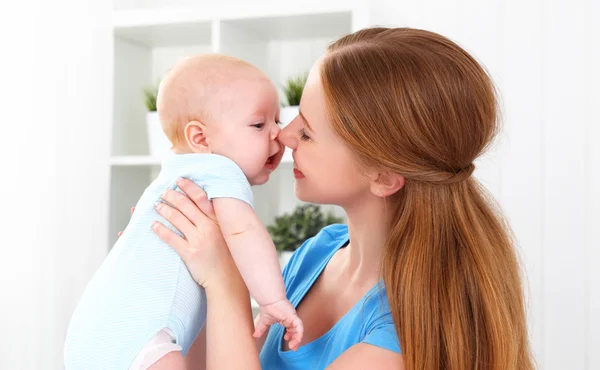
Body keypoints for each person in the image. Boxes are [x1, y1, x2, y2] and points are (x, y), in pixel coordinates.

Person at [152, 27, 536, 370]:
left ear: (383, 177)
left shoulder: (407, 331)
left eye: (308, 133)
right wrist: (189, 269)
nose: (285, 137)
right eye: (295, 117)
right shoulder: (318, 254)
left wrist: (223, 281)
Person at [64, 54, 302, 370]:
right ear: (201, 138)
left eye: (277, 121)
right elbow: (244, 233)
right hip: (141, 337)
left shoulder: (179, 175)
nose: (277, 134)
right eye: (259, 124)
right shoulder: (219, 169)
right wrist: (272, 301)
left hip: (100, 331)